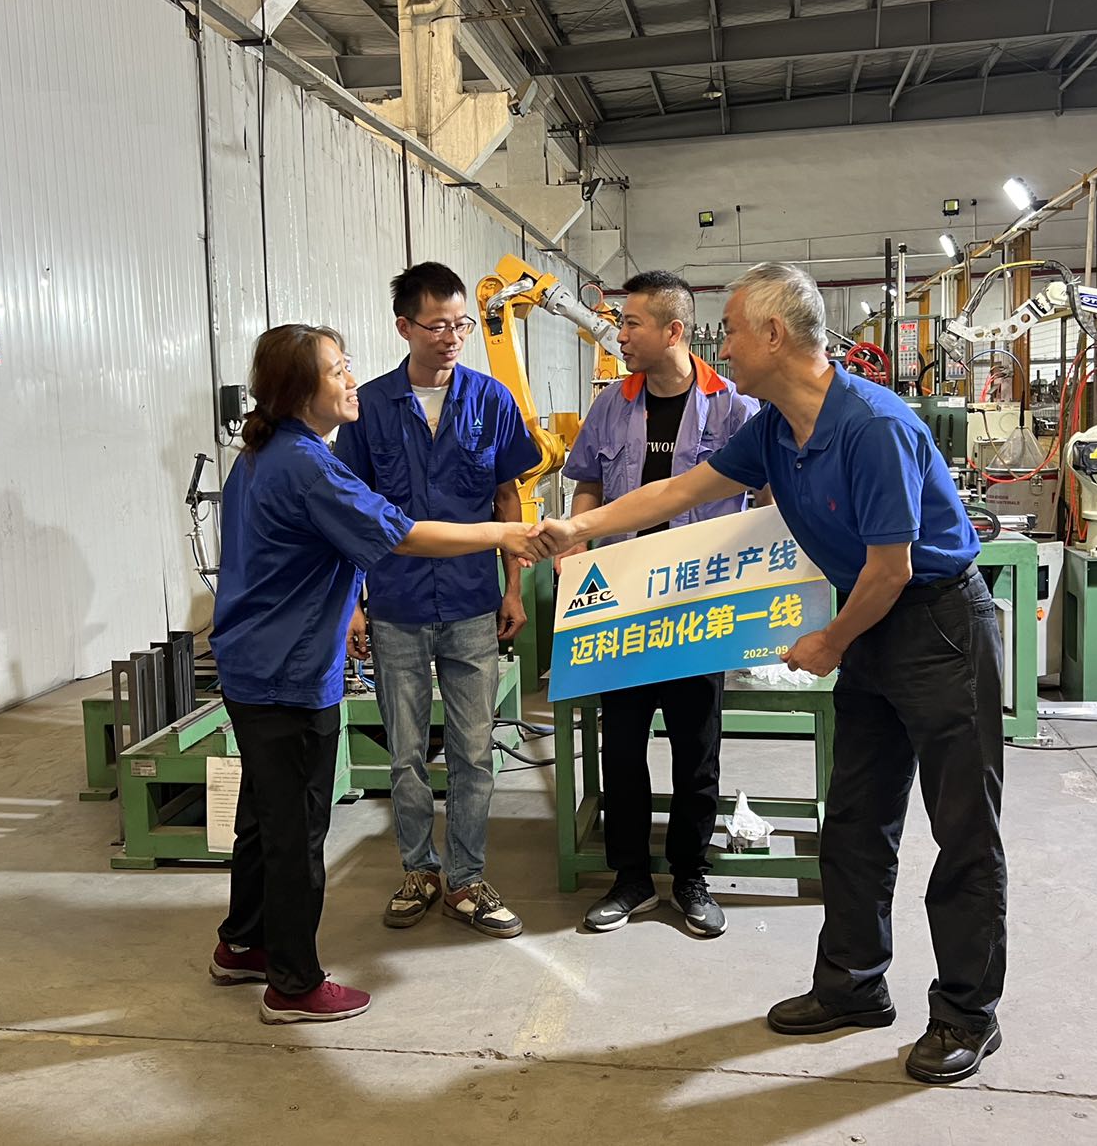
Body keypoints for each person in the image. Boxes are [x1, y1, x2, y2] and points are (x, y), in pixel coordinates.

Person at [529, 262, 1006, 1086]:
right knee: (857, 822)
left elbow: (891, 568)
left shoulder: (871, 426)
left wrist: (830, 643)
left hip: (937, 627)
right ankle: (853, 985)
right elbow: (681, 490)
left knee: (962, 830)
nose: (724, 347)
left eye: (733, 331)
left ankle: (968, 1013)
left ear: (775, 335)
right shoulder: (776, 428)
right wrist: (580, 528)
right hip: (874, 627)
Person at [207, 323, 538, 1025]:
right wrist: (504, 533)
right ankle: (293, 984)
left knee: (264, 819)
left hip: (252, 662)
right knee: (296, 831)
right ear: (302, 391)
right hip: (289, 672)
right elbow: (403, 534)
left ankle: (243, 943)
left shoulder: (261, 454)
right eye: (337, 371)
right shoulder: (308, 465)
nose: (351, 380)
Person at [333, 263, 543, 939]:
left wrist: (514, 587)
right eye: (437, 326)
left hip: (473, 602)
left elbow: (508, 500)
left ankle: (465, 878)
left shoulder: (491, 399)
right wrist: (353, 606)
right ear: (405, 327)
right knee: (405, 753)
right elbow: (348, 516)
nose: (452, 337)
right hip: (395, 603)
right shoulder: (368, 408)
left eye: (460, 325)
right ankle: (418, 869)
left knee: (474, 750)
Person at [559, 270, 758, 938]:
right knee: (621, 748)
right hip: (622, 604)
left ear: (673, 330)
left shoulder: (733, 408)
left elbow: (766, 499)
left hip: (701, 604)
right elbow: (589, 483)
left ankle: (691, 875)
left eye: (631, 324)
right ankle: (631, 878)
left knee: (696, 749)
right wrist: (575, 543)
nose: (620, 336)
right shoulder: (611, 406)